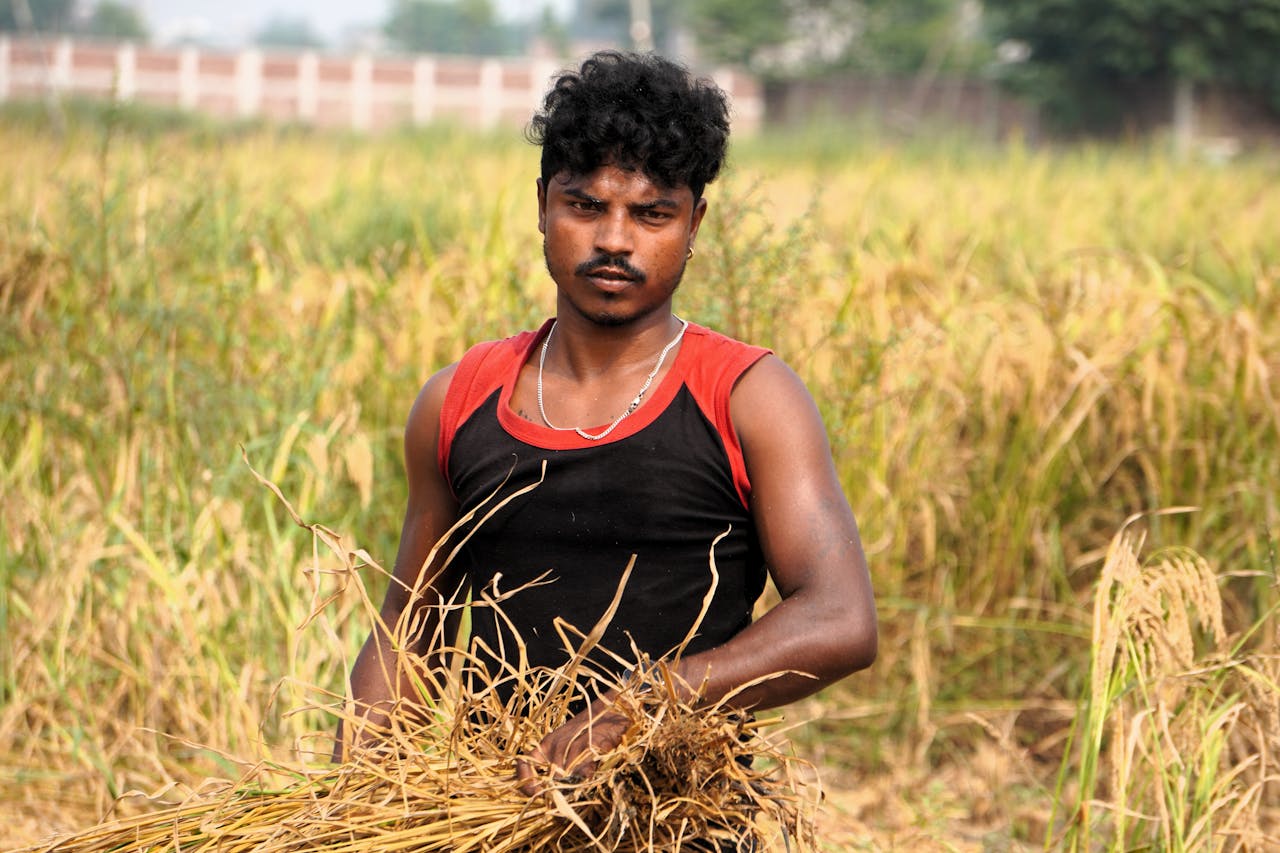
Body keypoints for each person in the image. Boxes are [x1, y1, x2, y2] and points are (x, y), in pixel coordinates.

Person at [336, 50, 877, 798]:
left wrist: (643, 706)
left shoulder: (746, 396)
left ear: (694, 222)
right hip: (499, 816)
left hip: (680, 823)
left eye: (652, 213)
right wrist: (350, 807)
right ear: (542, 208)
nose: (615, 239)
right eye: (585, 206)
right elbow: (408, 627)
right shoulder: (460, 399)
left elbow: (841, 617)